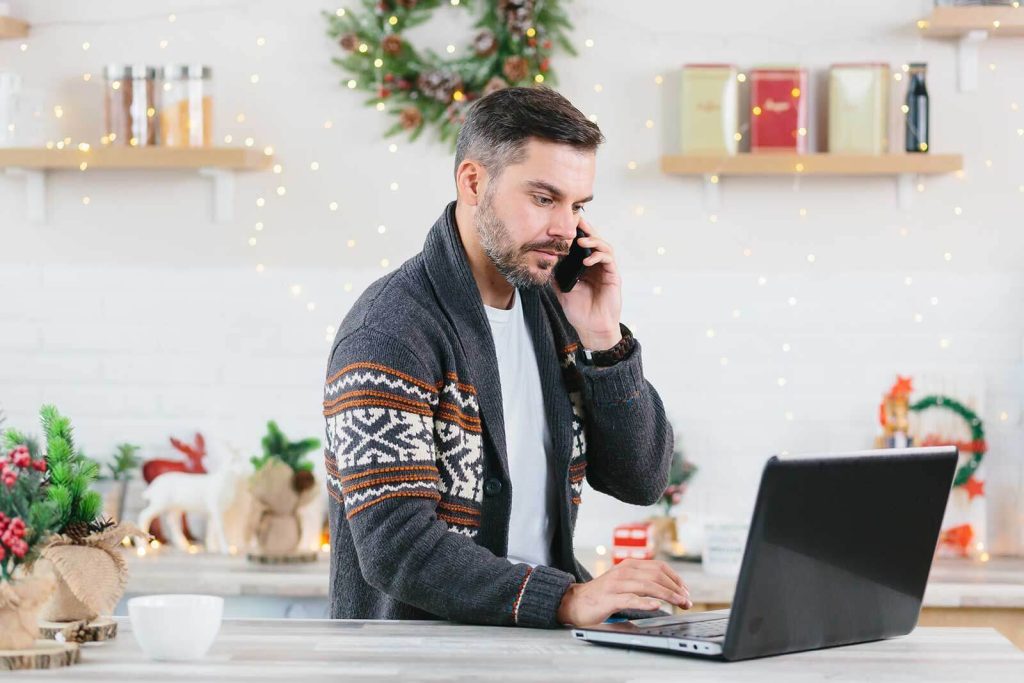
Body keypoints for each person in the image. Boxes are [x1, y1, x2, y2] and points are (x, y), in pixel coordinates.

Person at [323, 86, 689, 628]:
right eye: (544, 198)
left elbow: (641, 479)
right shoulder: (392, 330)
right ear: (473, 182)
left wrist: (605, 339)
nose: (566, 229)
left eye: (578, 205)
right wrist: (563, 600)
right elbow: (396, 546)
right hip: (422, 662)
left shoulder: (558, 309)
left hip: (537, 646)